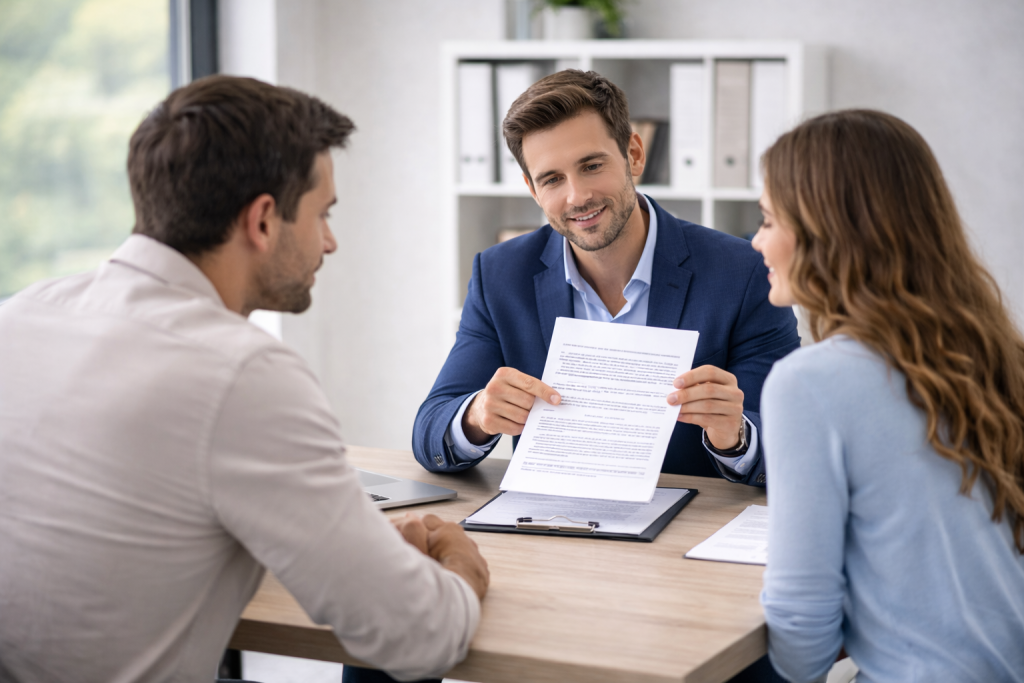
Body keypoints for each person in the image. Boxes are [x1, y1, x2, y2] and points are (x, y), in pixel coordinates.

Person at [0, 75, 489, 683]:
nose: (330, 241)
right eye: (323, 214)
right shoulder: (242, 373)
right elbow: (419, 636)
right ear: (262, 221)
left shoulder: (19, 315)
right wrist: (460, 558)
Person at [413, 69, 800, 487]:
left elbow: (790, 445)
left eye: (592, 165)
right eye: (552, 179)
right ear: (531, 188)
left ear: (634, 154)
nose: (577, 196)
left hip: (684, 531)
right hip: (548, 527)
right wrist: (477, 416)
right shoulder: (499, 275)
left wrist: (736, 435)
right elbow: (430, 429)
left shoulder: (743, 273)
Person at [754, 109, 1024, 682]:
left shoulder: (810, 382)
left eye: (768, 219)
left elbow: (801, 623)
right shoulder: (992, 349)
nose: (756, 241)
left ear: (826, 231)